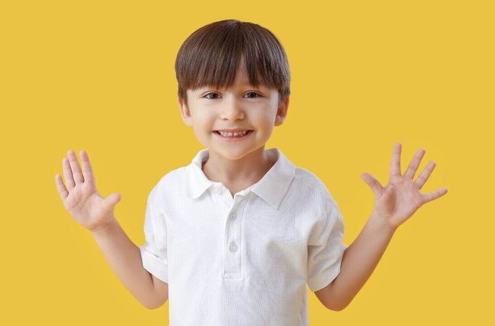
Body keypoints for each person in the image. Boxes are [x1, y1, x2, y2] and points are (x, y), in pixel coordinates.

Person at [54, 19, 448, 326]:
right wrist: (103, 228)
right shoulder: (171, 193)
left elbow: (335, 295)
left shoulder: (307, 194)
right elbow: (153, 292)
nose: (232, 112)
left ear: (281, 107)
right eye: (212, 95)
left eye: (252, 94)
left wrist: (383, 222)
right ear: (185, 107)